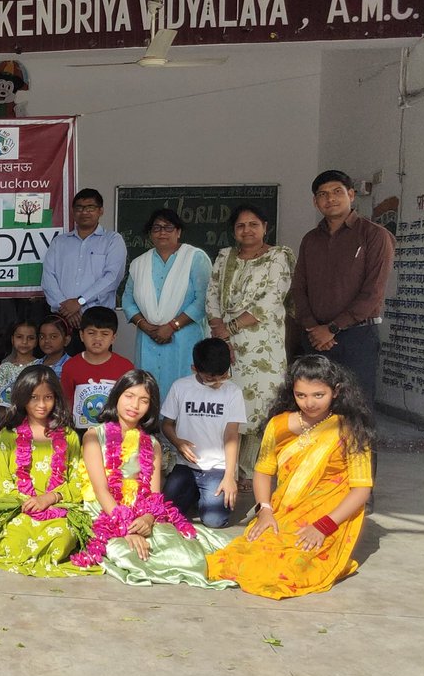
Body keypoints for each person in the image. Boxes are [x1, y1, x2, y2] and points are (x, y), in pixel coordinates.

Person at [207, 356, 376, 599]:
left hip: (331, 513)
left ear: (336, 391)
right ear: (292, 392)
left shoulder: (351, 428)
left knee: (293, 567)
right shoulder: (278, 425)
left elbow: (361, 490)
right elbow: (263, 471)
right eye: (301, 395)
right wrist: (264, 510)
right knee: (248, 556)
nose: (309, 403)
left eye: (319, 395)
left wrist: (323, 527)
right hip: (285, 509)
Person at [69, 371, 233, 588]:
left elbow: (154, 495)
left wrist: (147, 519)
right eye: (129, 396)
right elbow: (101, 490)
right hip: (104, 510)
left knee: (180, 548)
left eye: (144, 400)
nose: (134, 405)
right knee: (126, 552)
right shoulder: (93, 436)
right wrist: (127, 528)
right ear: (117, 396)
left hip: (141, 509)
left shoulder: (152, 444)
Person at [0, 366, 101, 577]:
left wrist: (49, 499)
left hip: (58, 509)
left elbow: (78, 481)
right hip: (19, 508)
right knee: (15, 539)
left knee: (62, 539)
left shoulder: (69, 436)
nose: (41, 404)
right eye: (34, 397)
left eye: (48, 397)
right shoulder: (8, 436)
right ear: (22, 398)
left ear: (56, 398)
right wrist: (28, 502)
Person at [207, 204, 296, 482]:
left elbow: (270, 300)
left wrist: (230, 328)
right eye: (240, 225)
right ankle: (228, 468)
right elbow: (211, 294)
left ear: (265, 227)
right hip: (225, 341)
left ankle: (255, 470)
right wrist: (219, 330)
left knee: (262, 403)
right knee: (228, 400)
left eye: (253, 224)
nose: (247, 230)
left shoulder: (278, 257)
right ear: (234, 231)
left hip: (262, 342)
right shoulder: (224, 257)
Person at [290, 170, 395, 405]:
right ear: (315, 202)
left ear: (351, 194)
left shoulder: (374, 236)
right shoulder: (310, 240)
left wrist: (333, 328)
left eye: (337, 192)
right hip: (315, 338)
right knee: (316, 407)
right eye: (323, 194)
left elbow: (373, 292)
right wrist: (313, 327)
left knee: (355, 408)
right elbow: (299, 287)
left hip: (357, 337)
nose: (331, 199)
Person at [123, 208, 212, 402]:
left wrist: (172, 326)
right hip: (149, 337)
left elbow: (203, 300)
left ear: (178, 231)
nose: (162, 232)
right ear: (150, 234)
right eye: (156, 228)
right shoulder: (139, 263)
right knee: (149, 393)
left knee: (184, 394)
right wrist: (145, 325)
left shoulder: (195, 258)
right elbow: (127, 301)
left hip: (184, 338)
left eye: (168, 227)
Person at [160, 338, 246, 528]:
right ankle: (196, 492)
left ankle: (204, 494)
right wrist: (178, 443)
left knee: (215, 520)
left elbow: (232, 435)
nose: (217, 382)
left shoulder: (233, 392)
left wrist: (230, 476)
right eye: (210, 378)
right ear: (194, 368)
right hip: (186, 466)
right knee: (165, 514)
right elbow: (167, 424)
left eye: (222, 376)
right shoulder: (180, 387)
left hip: (217, 468)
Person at [41, 189, 128, 350]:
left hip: (97, 322)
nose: (84, 212)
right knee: (62, 371)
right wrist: (66, 308)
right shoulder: (59, 242)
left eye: (90, 207)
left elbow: (112, 278)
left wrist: (80, 302)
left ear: (100, 211)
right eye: (80, 208)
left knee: (96, 369)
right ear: (73, 211)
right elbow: (48, 277)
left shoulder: (112, 240)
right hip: (62, 321)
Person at [60, 307, 133, 432]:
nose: (97, 338)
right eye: (91, 333)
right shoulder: (70, 366)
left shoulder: (126, 367)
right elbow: (66, 400)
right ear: (82, 335)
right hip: (79, 432)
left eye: (104, 334)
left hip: (115, 433)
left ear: (113, 338)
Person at [0, 320, 38, 413]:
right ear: (12, 339)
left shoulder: (40, 366)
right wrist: (3, 422)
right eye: (19, 337)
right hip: (10, 419)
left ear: (36, 341)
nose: (24, 342)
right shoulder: (5, 368)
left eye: (30, 338)